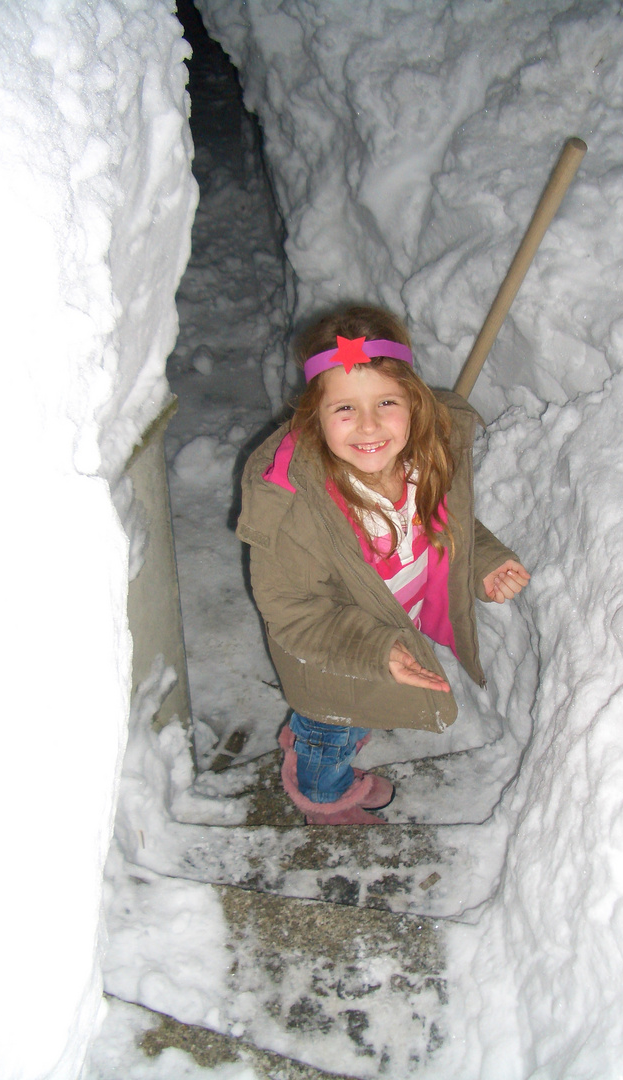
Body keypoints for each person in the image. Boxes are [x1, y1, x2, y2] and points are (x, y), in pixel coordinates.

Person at [237, 304, 529, 824]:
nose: (369, 425)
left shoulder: (425, 460)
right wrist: (375, 650)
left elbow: (451, 521)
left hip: (393, 631)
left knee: (357, 718)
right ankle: (324, 797)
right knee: (337, 728)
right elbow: (293, 611)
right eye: (344, 409)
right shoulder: (297, 507)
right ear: (314, 417)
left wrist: (484, 561)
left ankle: (313, 743)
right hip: (332, 656)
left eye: (386, 402)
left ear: (414, 402)